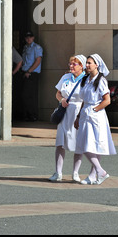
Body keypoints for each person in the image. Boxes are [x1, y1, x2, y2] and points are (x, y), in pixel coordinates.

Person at [74, 54, 116, 185]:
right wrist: (78, 116)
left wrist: (94, 110)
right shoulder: (86, 80)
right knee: (84, 144)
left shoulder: (101, 80)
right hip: (86, 113)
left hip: (95, 115)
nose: (87, 65)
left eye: (89, 63)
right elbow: (84, 101)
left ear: (96, 65)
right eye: (86, 63)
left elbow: (107, 100)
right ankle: (94, 174)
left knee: (91, 145)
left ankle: (99, 171)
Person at [49, 55, 87, 183]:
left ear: (81, 66)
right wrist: (62, 100)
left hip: (78, 112)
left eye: (74, 64)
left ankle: (75, 173)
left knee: (78, 143)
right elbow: (58, 93)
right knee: (60, 143)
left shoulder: (86, 80)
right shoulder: (65, 77)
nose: (71, 66)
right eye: (70, 64)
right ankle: (58, 172)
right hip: (65, 112)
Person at [21, 31, 43, 121]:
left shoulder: (36, 48)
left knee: (29, 95)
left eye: (30, 37)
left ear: (33, 38)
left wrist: (29, 71)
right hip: (25, 73)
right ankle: (27, 115)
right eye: (27, 37)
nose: (28, 39)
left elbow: (38, 61)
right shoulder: (25, 47)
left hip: (32, 74)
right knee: (24, 95)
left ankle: (32, 115)